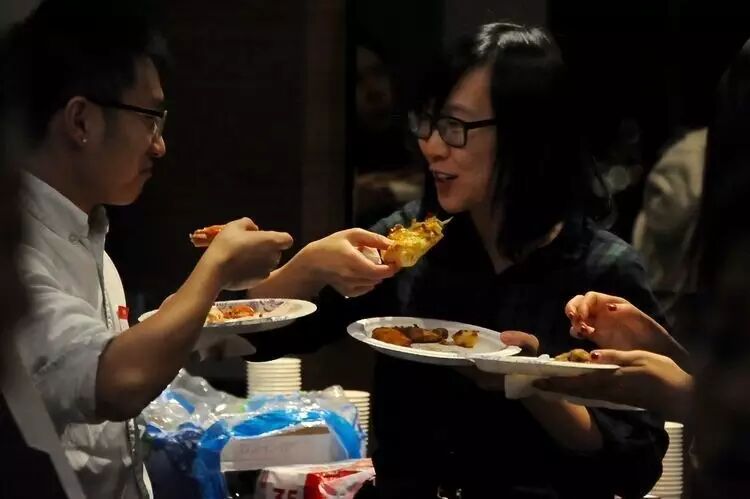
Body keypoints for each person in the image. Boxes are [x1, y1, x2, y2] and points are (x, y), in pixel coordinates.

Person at [247, 22, 668, 498]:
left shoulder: (602, 272)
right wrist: (305, 268)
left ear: (526, 134)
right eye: (427, 122)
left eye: (455, 127)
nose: (431, 145)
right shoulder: (407, 242)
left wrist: (532, 385)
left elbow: (635, 466)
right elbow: (255, 339)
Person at [1, 1, 293, 497]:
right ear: (80, 121)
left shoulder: (87, 233)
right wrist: (216, 266)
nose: (159, 145)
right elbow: (117, 380)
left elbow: (155, 346)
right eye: (149, 118)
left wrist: (308, 271)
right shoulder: (18, 254)